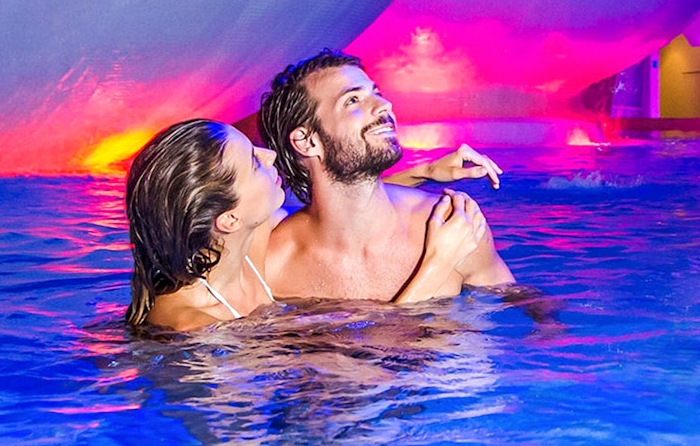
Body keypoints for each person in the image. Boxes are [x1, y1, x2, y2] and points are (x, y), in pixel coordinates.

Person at [124, 118, 496, 331]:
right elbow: (382, 365)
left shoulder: (243, 244)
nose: (269, 155)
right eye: (254, 162)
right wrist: (437, 264)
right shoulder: (192, 327)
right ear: (229, 219)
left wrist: (424, 173)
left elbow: (339, 209)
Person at [258, 49, 516, 301]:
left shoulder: (453, 226)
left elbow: (524, 314)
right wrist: (438, 265)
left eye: (376, 93)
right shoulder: (273, 263)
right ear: (306, 142)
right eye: (352, 101)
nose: (384, 105)